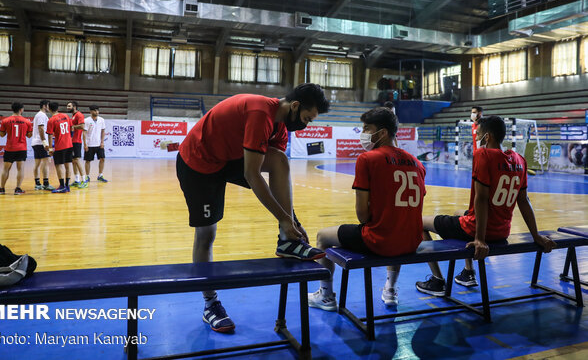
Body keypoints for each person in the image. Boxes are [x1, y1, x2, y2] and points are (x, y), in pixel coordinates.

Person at [176, 83, 330, 333]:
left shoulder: (280, 126)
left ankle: (286, 242)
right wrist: (284, 219)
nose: (306, 125)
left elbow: (276, 178)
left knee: (280, 160)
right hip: (198, 163)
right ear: (294, 106)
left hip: (227, 158)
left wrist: (291, 220)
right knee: (206, 235)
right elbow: (252, 175)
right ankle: (210, 303)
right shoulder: (260, 113)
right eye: (306, 119)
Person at [415, 115, 556, 295]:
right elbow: (523, 200)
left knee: (420, 222)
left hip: (479, 231)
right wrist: (536, 235)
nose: (477, 138)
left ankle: (437, 281)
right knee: (460, 212)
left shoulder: (483, 155)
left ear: (487, 137)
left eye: (478, 134)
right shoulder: (520, 160)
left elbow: (481, 199)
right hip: (502, 231)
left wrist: (479, 239)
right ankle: (468, 272)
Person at [308, 107, 426, 310]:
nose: (363, 134)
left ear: (382, 133)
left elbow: (362, 216)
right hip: (412, 241)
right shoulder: (417, 163)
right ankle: (390, 289)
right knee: (395, 227)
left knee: (322, 236)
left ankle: (326, 296)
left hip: (380, 241)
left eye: (367, 128)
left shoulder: (368, 159)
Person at [0, 102, 33, 195]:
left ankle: (2, 189)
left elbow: (1, 134)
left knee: (6, 169)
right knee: (20, 169)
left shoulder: (6, 121)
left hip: (10, 148)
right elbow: (29, 135)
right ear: (21, 110)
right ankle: (18, 189)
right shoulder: (27, 121)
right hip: (21, 148)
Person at [46, 102, 73, 193]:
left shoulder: (51, 120)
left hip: (60, 146)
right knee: (68, 165)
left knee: (59, 165)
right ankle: (67, 185)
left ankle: (62, 186)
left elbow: (49, 135)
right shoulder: (66, 116)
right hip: (69, 144)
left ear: (49, 109)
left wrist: (50, 148)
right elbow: (71, 128)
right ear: (58, 108)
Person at [31, 100, 55, 191]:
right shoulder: (41, 115)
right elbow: (41, 129)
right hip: (41, 143)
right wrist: (45, 142)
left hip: (36, 142)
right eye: (48, 105)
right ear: (45, 106)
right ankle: (46, 183)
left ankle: (37, 184)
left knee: (37, 163)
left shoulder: (39, 115)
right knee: (46, 161)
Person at [83, 105, 108, 183]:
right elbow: (84, 133)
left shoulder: (101, 120)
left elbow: (103, 131)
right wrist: (85, 144)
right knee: (88, 161)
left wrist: (102, 142)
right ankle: (87, 176)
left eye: (97, 110)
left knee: (102, 159)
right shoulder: (86, 120)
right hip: (89, 144)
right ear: (90, 111)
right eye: (94, 110)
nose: (96, 112)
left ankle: (100, 175)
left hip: (99, 144)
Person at [67, 101, 88, 188]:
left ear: (74, 107)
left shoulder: (79, 115)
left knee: (77, 160)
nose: (67, 107)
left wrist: (73, 127)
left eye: (69, 106)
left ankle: (84, 180)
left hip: (76, 141)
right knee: (73, 161)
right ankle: (77, 180)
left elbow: (82, 126)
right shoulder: (73, 116)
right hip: (72, 141)